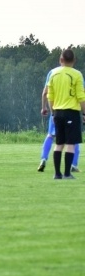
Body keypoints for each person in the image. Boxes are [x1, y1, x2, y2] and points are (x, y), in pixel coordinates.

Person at [45, 48, 85, 179]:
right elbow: (81, 97)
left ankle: (57, 174)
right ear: (74, 60)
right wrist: (84, 113)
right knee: (70, 144)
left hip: (57, 112)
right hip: (71, 112)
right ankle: (67, 173)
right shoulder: (77, 74)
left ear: (60, 59)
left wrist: (53, 113)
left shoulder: (53, 74)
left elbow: (50, 96)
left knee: (59, 143)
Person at [38, 66, 80, 172]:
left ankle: (43, 159)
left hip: (55, 110)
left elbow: (45, 93)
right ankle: (73, 165)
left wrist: (44, 107)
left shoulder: (52, 72)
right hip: (71, 111)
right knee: (72, 139)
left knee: (51, 135)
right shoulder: (76, 74)